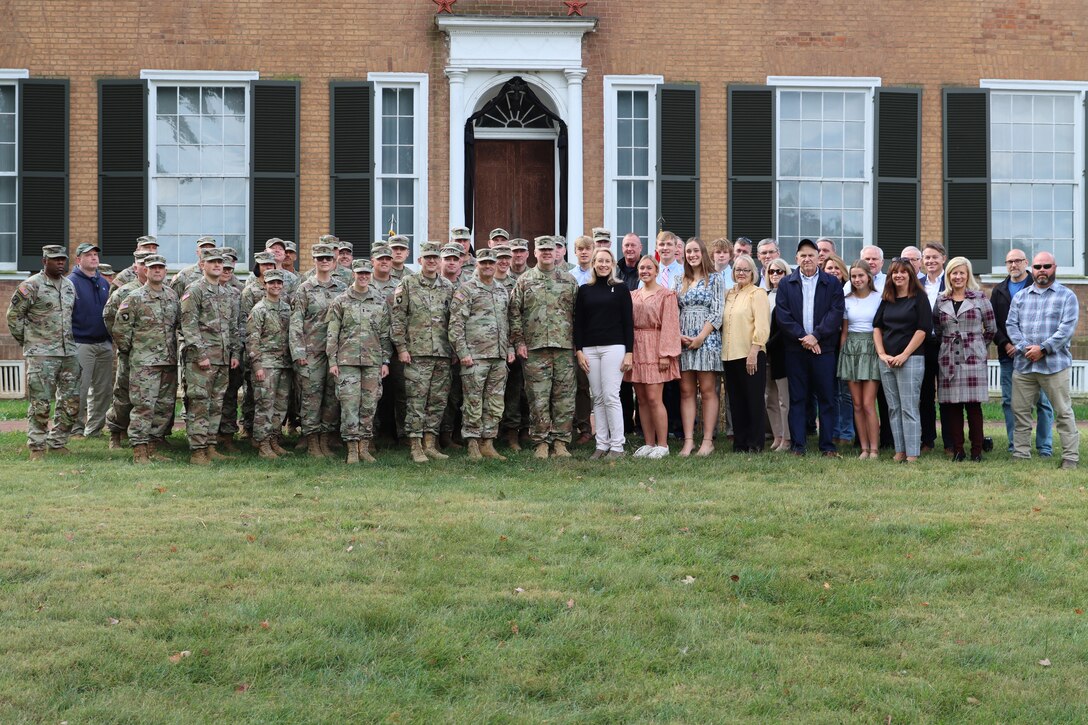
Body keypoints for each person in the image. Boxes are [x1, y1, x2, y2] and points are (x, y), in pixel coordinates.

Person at [1007, 252, 1080, 469]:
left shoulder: (1067, 296)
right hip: (1024, 365)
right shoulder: (1021, 297)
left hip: (1054, 366)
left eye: (1046, 266)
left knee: (1063, 412)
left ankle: (1070, 457)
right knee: (1020, 412)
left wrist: (1044, 349)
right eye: (1037, 266)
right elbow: (1011, 325)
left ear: (1054, 268)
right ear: (1032, 269)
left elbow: (1066, 329)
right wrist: (1024, 348)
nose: (1041, 270)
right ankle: (1021, 454)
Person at [7, 245, 80, 459]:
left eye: (63, 259)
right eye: (55, 259)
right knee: (40, 403)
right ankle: (37, 447)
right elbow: (14, 317)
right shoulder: (31, 286)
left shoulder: (68, 286)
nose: (60, 263)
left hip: (68, 353)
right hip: (42, 354)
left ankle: (58, 442)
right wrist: (30, 342)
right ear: (44, 261)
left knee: (71, 401)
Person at [510, 236, 579, 459]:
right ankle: (540, 441)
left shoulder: (569, 281)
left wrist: (578, 345)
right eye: (542, 249)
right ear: (535, 253)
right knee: (537, 397)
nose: (547, 253)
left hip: (564, 347)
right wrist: (519, 342)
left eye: (550, 249)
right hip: (534, 348)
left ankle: (560, 442)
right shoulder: (524, 280)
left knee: (564, 397)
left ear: (557, 252)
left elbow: (578, 315)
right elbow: (514, 314)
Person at [775, 239, 845, 456]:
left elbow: (835, 313)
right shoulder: (786, 283)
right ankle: (798, 445)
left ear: (818, 258)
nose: (807, 259)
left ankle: (827, 445)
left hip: (823, 350)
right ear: (796, 259)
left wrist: (816, 336)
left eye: (811, 255)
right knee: (797, 398)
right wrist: (804, 338)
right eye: (802, 255)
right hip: (796, 351)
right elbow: (783, 316)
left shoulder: (831, 283)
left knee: (826, 398)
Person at [391, 241, 455, 463]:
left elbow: (453, 321)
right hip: (416, 353)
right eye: (427, 257)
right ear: (420, 260)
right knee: (416, 401)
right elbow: (398, 318)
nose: (431, 261)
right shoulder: (407, 283)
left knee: (437, 401)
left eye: (435, 258)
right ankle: (415, 445)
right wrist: (401, 348)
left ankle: (430, 443)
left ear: (439, 261)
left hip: (442, 353)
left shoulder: (447, 287)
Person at [449, 248, 515, 461]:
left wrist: (509, 349)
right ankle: (472, 443)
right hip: (474, 357)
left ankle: (488, 442)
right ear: (477, 265)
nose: (488, 266)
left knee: (495, 402)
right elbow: (456, 324)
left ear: (496, 265)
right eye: (484, 263)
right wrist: (463, 352)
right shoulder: (466, 290)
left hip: (498, 356)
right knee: (473, 402)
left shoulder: (501, 290)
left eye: (491, 263)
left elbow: (507, 323)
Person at [114, 254, 180, 464]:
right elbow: (120, 329)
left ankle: (153, 445)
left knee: (164, 406)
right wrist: (133, 351)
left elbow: (178, 325)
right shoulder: (134, 297)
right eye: (153, 268)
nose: (157, 271)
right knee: (143, 406)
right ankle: (139, 450)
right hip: (145, 363)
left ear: (165, 271)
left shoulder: (172, 296)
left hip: (168, 361)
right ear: (146, 271)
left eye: (161, 267)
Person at [327, 259, 393, 464]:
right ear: (353, 274)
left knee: (369, 406)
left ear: (371, 274)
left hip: (373, 362)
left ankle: (364, 447)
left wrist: (385, 361)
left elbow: (384, 334)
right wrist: (332, 361)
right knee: (349, 405)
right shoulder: (341, 301)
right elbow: (332, 333)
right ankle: (352, 450)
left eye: (367, 273)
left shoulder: (379, 301)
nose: (364, 276)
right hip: (347, 361)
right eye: (360, 273)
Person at [179, 248, 241, 465]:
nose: (217, 265)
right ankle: (197, 450)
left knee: (216, 404)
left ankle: (211, 445)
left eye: (220, 262)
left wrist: (234, 352)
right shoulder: (194, 290)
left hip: (223, 358)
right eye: (212, 262)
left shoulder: (227, 293)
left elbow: (232, 326)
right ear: (203, 265)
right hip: (202, 360)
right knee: (199, 403)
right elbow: (188, 325)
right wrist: (199, 354)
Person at [990, 247, 1053, 456]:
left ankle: (1044, 447)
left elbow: (1044, 322)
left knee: (1043, 403)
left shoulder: (1036, 285)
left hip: (1036, 354)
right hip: (1008, 355)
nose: (1013, 265)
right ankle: (1014, 444)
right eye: (1009, 262)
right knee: (1010, 402)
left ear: (1026, 262)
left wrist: (1029, 347)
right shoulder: (998, 290)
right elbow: (993, 325)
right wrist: (1005, 344)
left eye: (1017, 261)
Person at [574, 249, 634, 459]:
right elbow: (578, 324)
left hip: (614, 348)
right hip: (590, 349)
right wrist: (579, 351)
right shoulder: (584, 290)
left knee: (610, 395)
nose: (603, 264)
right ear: (593, 263)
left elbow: (628, 323)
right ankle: (601, 444)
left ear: (612, 264)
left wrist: (629, 353)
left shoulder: (620, 289)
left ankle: (617, 446)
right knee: (597, 398)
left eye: (607, 261)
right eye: (599, 261)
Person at [934, 257, 995, 462]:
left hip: (973, 358)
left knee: (973, 407)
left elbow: (991, 329)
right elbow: (938, 327)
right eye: (954, 273)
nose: (958, 276)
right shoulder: (941, 300)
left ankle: (977, 451)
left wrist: (977, 347)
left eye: (961, 272)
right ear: (949, 276)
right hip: (949, 357)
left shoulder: (979, 298)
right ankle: (958, 450)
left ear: (967, 275)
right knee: (953, 407)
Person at [290, 242, 347, 458]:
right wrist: (298, 352)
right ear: (314, 261)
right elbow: (296, 322)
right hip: (311, 352)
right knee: (311, 398)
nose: (324, 261)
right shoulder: (304, 289)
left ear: (334, 262)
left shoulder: (342, 288)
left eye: (328, 258)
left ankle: (326, 439)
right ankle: (312, 441)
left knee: (332, 398)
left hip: (335, 353)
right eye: (320, 258)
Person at [872, 259, 932, 463]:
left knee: (909, 407)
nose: (898, 276)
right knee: (893, 408)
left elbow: (923, 330)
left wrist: (904, 355)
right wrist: (882, 354)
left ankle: (913, 452)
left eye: (903, 272)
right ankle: (900, 451)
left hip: (911, 359)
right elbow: (877, 328)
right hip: (887, 360)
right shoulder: (887, 298)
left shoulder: (919, 298)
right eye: (894, 272)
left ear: (910, 275)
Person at [625, 255, 681, 459]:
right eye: (641, 268)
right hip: (637, 347)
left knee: (654, 398)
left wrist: (665, 354)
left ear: (657, 271)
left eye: (649, 267)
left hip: (656, 346)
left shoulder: (666, 295)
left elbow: (670, 325)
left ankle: (663, 444)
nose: (645, 271)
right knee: (641, 399)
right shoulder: (632, 295)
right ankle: (648, 443)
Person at [674, 237, 723, 457]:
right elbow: (673, 311)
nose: (691, 255)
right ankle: (688, 441)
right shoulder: (679, 280)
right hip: (683, 340)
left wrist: (701, 337)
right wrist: (679, 335)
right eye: (688, 252)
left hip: (707, 339)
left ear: (703, 253)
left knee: (707, 390)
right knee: (686, 391)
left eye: (695, 251)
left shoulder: (715, 278)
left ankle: (708, 440)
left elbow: (717, 311)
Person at [721, 253, 771, 452]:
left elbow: (762, 326)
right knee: (736, 401)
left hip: (751, 353)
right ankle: (740, 443)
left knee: (754, 400)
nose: (741, 273)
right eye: (737, 269)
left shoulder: (757, 293)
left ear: (753, 272)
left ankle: (755, 443)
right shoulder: (729, 294)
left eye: (745, 270)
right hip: (729, 355)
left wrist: (754, 351)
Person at [102, 250, 151, 449]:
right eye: (142, 264)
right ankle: (115, 432)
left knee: (150, 398)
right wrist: (124, 343)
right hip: (130, 354)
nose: (146, 268)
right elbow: (109, 316)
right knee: (123, 395)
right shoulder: (125, 292)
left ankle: (151, 438)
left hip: (154, 355)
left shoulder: (162, 291)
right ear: (135, 267)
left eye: (151, 264)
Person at [246, 269, 293, 460]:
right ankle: (263, 444)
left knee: (280, 406)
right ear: (265, 285)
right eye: (271, 283)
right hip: (266, 365)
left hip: (284, 364)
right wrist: (257, 366)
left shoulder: (286, 308)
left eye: (278, 283)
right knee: (265, 405)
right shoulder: (259, 310)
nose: (275, 286)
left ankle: (274, 440)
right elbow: (252, 340)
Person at [68, 242, 114, 438]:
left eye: (96, 254)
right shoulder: (70, 283)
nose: (94, 258)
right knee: (79, 389)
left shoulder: (103, 283)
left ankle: (94, 429)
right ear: (79, 260)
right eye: (89, 255)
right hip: (81, 343)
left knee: (103, 391)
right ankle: (75, 429)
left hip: (104, 344)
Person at [838, 261, 882, 459]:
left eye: (860, 276)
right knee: (856, 403)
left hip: (871, 348)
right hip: (851, 350)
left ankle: (874, 448)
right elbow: (845, 331)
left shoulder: (879, 298)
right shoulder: (846, 299)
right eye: (853, 276)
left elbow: (881, 328)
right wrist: (841, 354)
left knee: (867, 403)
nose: (857, 280)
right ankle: (864, 448)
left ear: (868, 276)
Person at [499, 238, 531, 450]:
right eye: (514, 252)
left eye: (521, 251)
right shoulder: (500, 278)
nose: (518, 255)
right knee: (511, 390)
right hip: (507, 344)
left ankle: (526, 430)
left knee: (528, 391)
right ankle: (510, 433)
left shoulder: (532, 277)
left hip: (531, 343)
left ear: (527, 254)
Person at [822, 254, 854, 446]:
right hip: (827, 345)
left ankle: (846, 432)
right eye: (829, 268)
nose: (833, 271)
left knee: (846, 393)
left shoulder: (850, 291)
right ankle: (832, 431)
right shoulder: (821, 291)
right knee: (830, 391)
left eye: (836, 268)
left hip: (848, 346)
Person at [918, 241, 947, 453]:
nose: (930, 261)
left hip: (946, 344)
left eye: (934, 257)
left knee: (947, 395)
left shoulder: (953, 280)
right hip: (923, 345)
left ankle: (950, 441)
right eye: (926, 257)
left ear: (943, 259)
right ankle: (927, 439)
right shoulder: (917, 283)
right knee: (925, 394)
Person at [439, 243, 467, 448]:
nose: (451, 262)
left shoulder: (467, 286)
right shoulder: (434, 284)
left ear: (461, 262)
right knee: (441, 395)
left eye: (455, 259)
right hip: (438, 348)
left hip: (464, 349)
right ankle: (441, 435)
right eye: (447, 258)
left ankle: (455, 433)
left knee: (458, 394)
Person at [568, 235, 596, 445]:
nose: (584, 252)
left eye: (588, 248)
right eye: (580, 249)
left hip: (593, 335)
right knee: (569, 384)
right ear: (575, 252)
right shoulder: (569, 277)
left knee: (585, 385)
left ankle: (586, 428)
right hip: (570, 335)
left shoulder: (598, 274)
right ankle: (567, 427)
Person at [764, 257, 792, 452]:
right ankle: (777, 435)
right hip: (763, 352)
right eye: (772, 271)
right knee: (769, 396)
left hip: (781, 351)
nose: (775, 275)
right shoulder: (762, 295)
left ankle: (788, 438)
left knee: (784, 398)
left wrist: (767, 344)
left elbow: (786, 326)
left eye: (779, 271)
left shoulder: (790, 294)